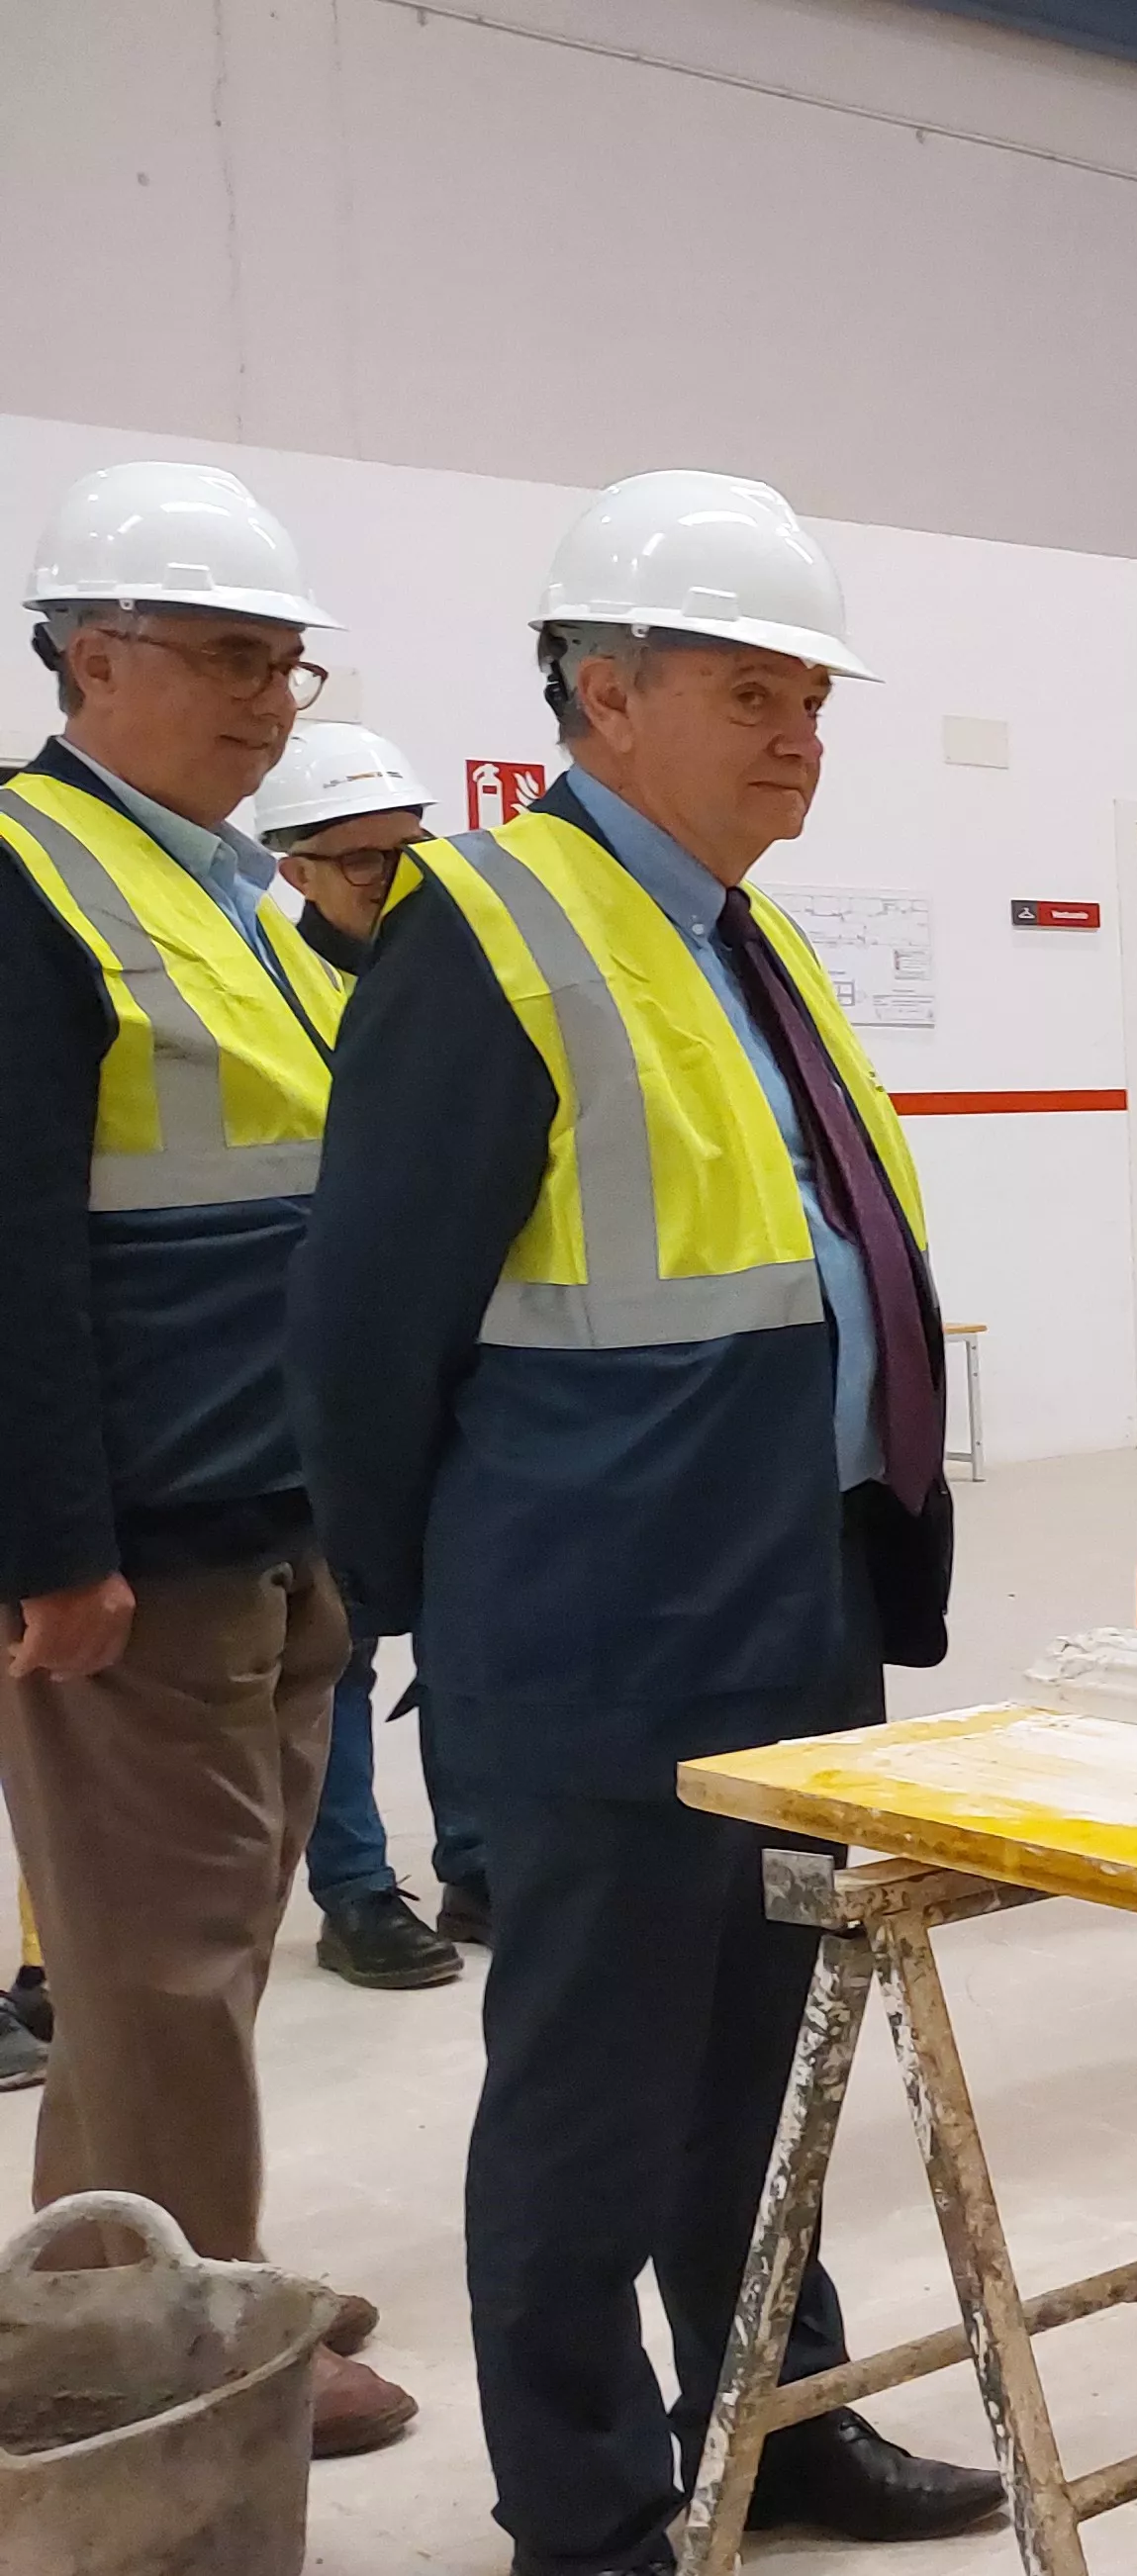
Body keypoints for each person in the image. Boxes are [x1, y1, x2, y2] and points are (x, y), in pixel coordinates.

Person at [295, 471, 1002, 2573]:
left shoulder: (735, 939)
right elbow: (358, 1335)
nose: (799, 735)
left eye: (812, 697)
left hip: (788, 1599)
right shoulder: (489, 930)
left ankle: (775, 2425)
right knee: (595, 2106)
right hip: (596, 1632)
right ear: (602, 701)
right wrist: (453, 1631)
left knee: (762, 2078)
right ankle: (589, 2514)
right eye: (753, 692)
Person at [0, 460, 415, 2454]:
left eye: (283, 662)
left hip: (271, 1502)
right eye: (225, 657)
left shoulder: (222, 883)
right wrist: (48, 1542)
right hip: (140, 1541)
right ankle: (178, 2375)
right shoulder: (24, 877)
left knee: (196, 1961)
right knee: (158, 1973)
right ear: (89, 654)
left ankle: (136, 2296)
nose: (268, 702)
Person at [245, 720, 484, 1992]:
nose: (394, 880)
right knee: (341, 1646)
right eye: (360, 862)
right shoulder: (273, 992)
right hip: (329, 1365)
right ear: (290, 867)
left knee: (468, 1629)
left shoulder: (452, 968)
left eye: (409, 850)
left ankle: (480, 1855)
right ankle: (354, 1890)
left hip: (459, 1361)